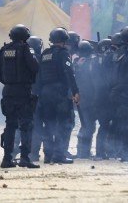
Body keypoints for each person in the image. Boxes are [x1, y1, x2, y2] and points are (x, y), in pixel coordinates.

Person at [0, 25, 40, 168]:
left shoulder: (4, 50)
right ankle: (25, 158)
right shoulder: (25, 48)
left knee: (10, 125)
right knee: (26, 125)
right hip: (23, 92)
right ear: (25, 37)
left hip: (8, 91)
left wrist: (10, 83)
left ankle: (7, 159)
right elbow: (35, 67)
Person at [37, 28, 80, 164]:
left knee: (49, 124)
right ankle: (59, 155)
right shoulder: (63, 54)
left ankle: (48, 155)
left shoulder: (44, 54)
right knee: (64, 124)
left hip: (45, 92)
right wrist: (75, 91)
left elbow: (39, 75)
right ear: (64, 40)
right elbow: (69, 73)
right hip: (59, 93)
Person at [73, 40, 102, 159]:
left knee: (87, 125)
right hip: (89, 97)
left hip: (82, 97)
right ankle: (83, 152)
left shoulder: (77, 63)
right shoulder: (90, 62)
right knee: (88, 125)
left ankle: (83, 151)